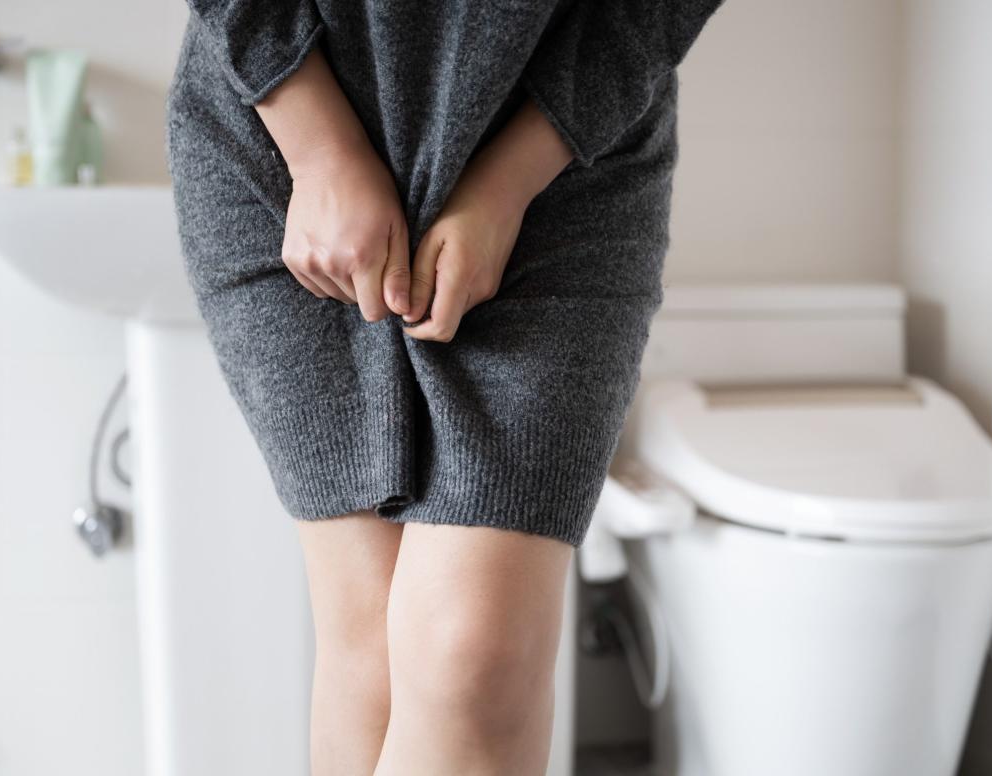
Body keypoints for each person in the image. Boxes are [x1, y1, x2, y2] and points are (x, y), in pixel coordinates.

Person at [166, 1, 723, 773]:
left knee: (475, 657)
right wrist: (320, 151)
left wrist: (507, 185)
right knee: (369, 656)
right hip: (285, 132)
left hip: (565, 147)